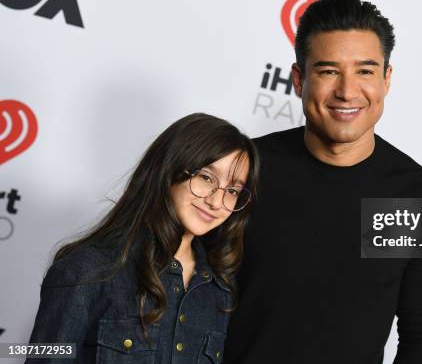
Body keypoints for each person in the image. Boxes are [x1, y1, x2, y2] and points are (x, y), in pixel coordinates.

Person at [224, 0, 422, 364]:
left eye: (365, 71)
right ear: (299, 79)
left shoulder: (419, 197)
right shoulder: (243, 168)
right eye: (328, 71)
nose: (347, 91)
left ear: (386, 80)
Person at [27, 113, 259, 363]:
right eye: (206, 177)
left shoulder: (220, 290)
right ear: (169, 169)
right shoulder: (87, 269)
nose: (216, 201)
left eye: (233, 190)